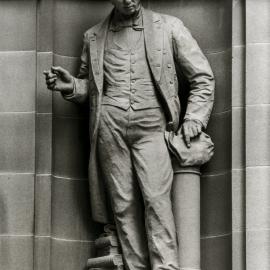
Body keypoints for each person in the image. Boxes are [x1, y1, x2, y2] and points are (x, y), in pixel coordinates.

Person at [44, 1, 215, 270]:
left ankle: (165, 267)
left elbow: (202, 77)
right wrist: (73, 86)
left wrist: (194, 117)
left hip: (152, 125)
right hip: (109, 126)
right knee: (123, 207)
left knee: (157, 202)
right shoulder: (93, 36)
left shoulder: (169, 27)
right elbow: (93, 85)